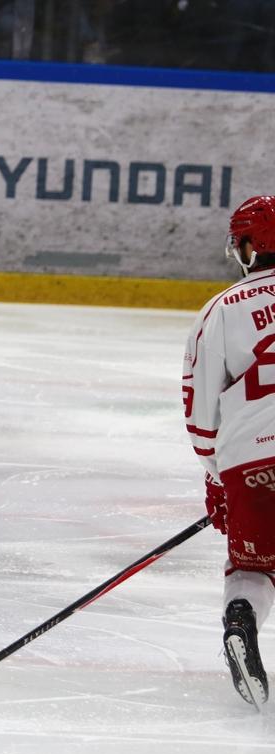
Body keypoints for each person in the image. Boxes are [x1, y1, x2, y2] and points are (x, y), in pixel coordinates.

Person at [183, 194, 275, 707]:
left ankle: (241, 619)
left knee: (253, 568)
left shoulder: (221, 309)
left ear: (249, 247)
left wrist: (218, 477)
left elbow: (200, 408)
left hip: (251, 461)